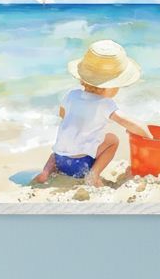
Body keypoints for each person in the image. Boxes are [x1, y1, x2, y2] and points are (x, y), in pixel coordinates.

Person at [35, 40, 153, 187]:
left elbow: (63, 115)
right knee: (112, 140)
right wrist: (149, 138)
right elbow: (135, 125)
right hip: (81, 165)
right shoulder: (105, 104)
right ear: (109, 86)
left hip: (61, 160)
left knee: (55, 153)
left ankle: (46, 171)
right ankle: (93, 175)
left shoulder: (71, 95)